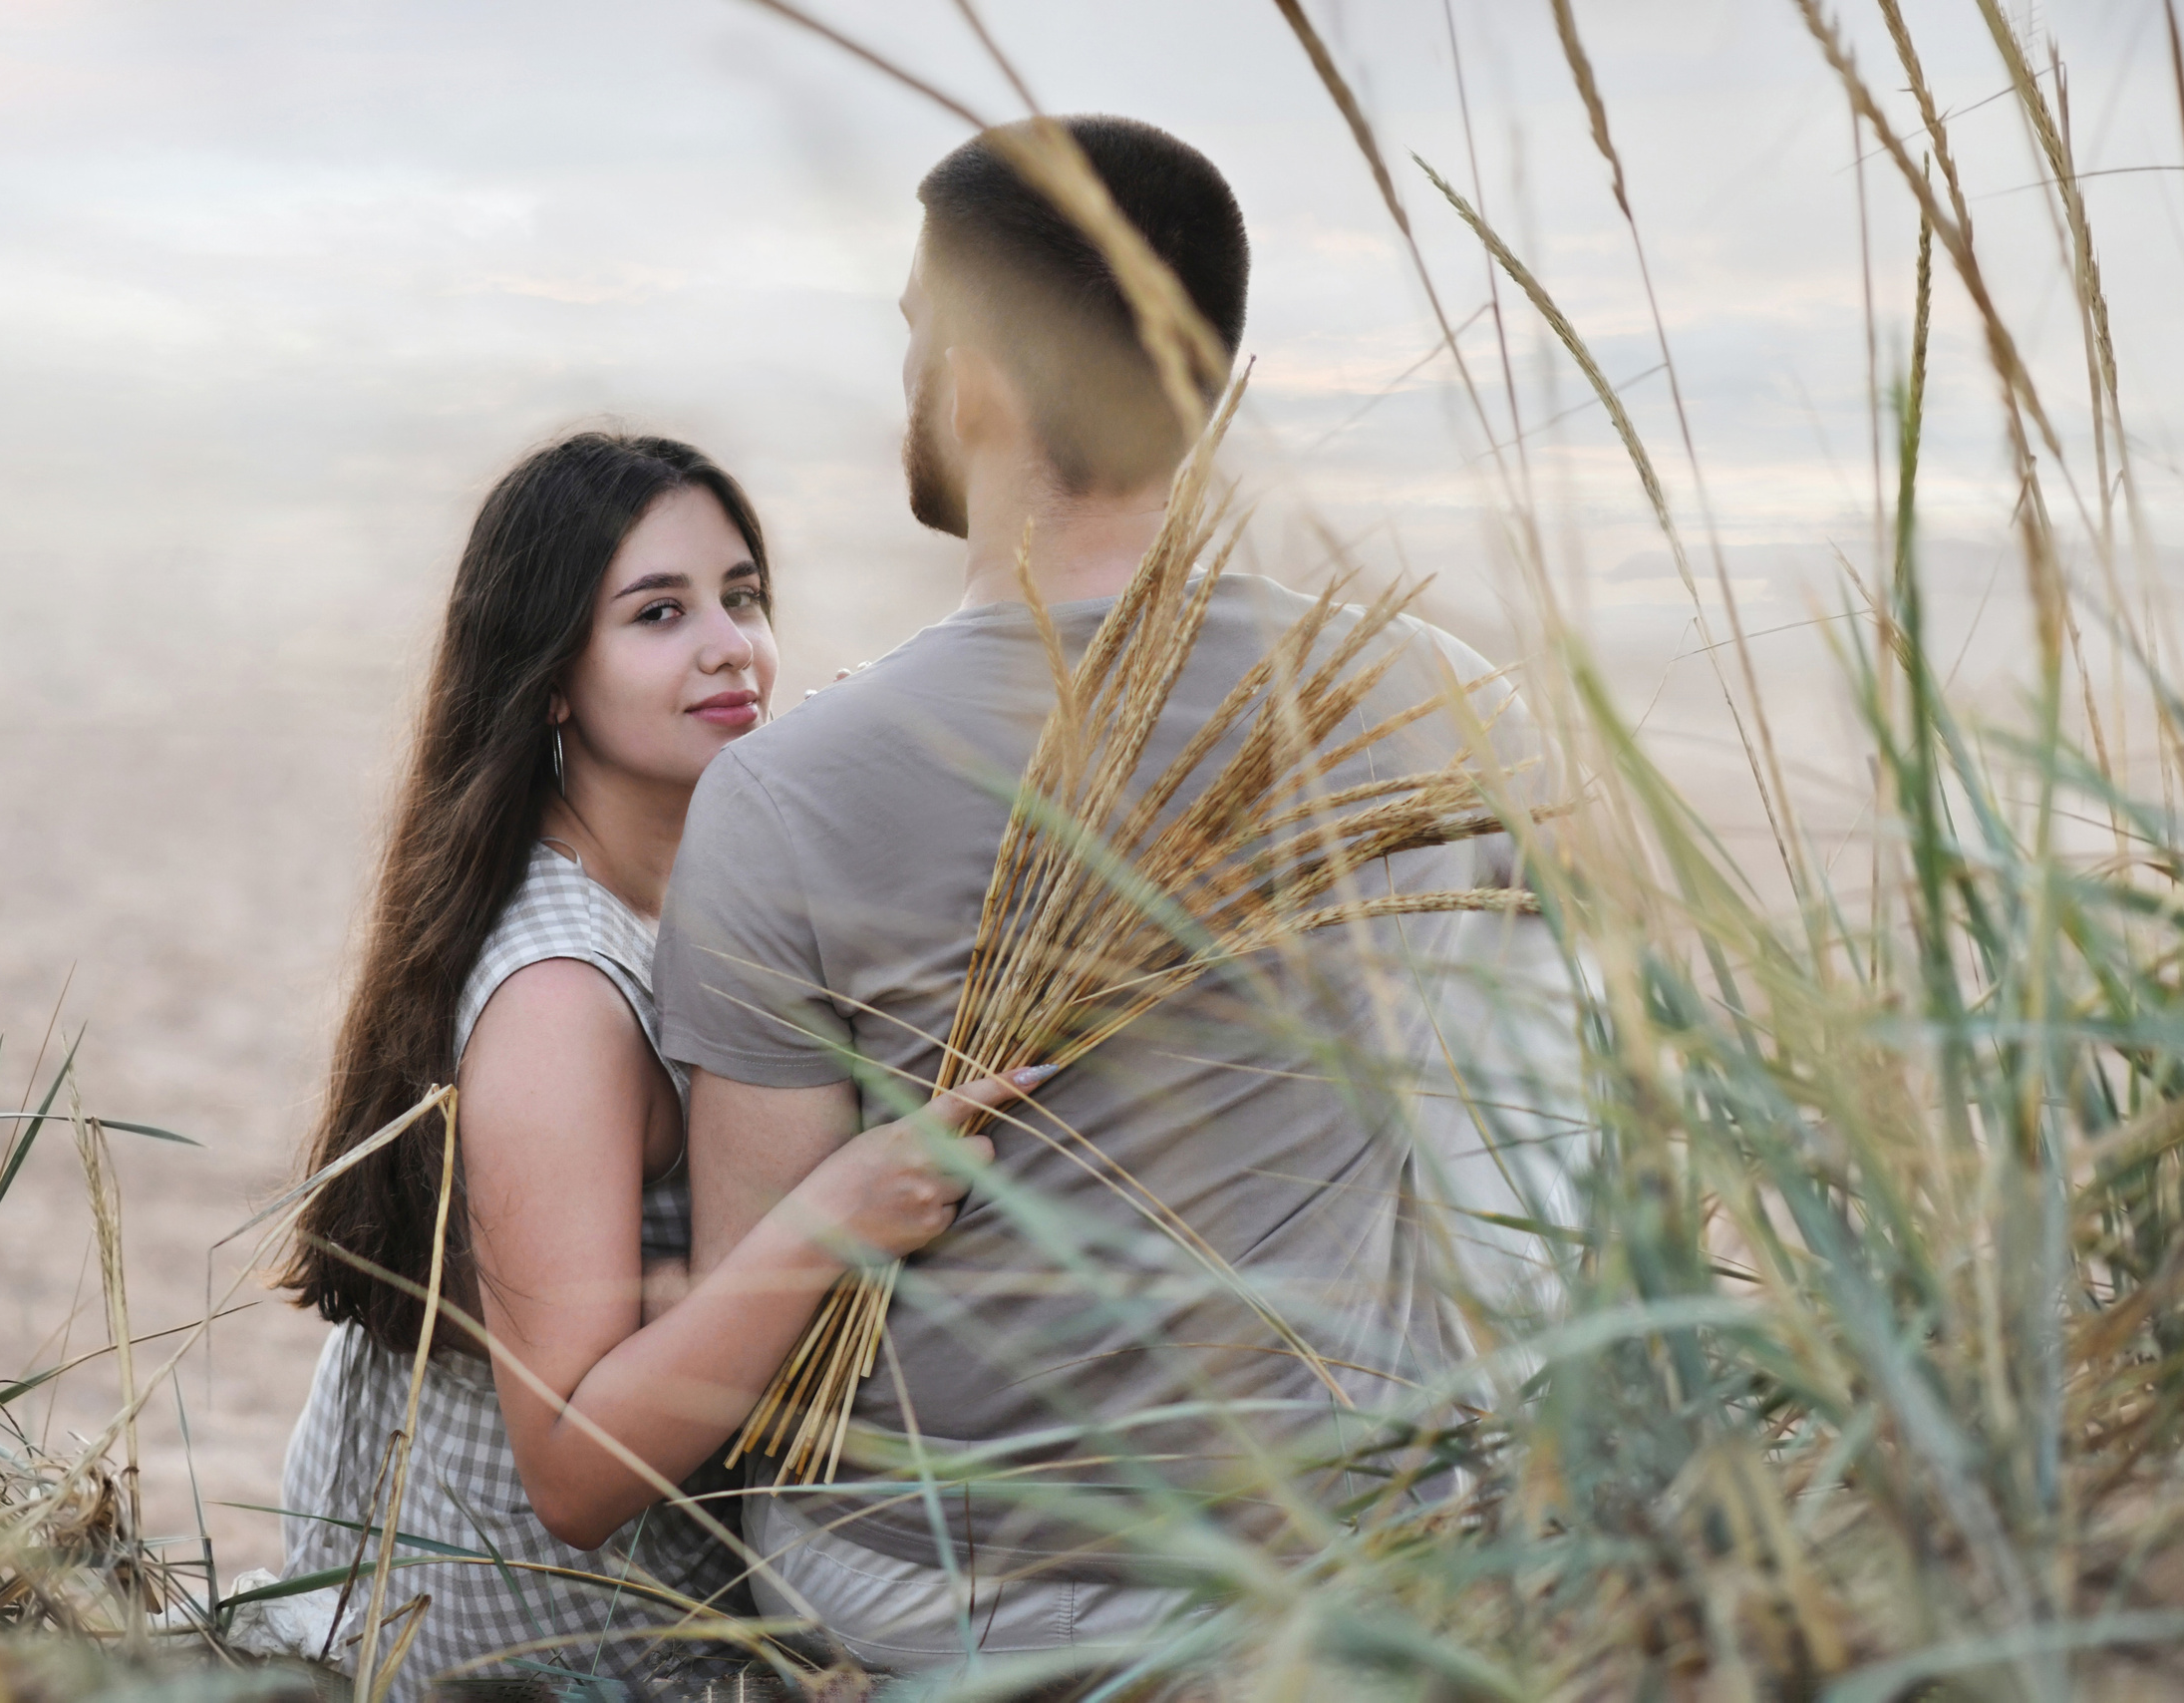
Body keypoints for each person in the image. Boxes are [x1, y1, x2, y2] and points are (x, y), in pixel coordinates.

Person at [652, 116, 1564, 1677]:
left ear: (987, 376)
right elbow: (1535, 1183)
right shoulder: (1448, 709)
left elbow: (770, 1306)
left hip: (920, 1584)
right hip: (1325, 1557)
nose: (907, 386)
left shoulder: (786, 791)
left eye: (918, 337)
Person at [272, 433, 1039, 1702]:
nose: (730, 643)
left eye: (742, 596)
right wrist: (834, 1219)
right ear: (553, 678)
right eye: (658, 613)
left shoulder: (694, 898)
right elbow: (572, 1475)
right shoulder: (563, 996)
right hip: (509, 1653)